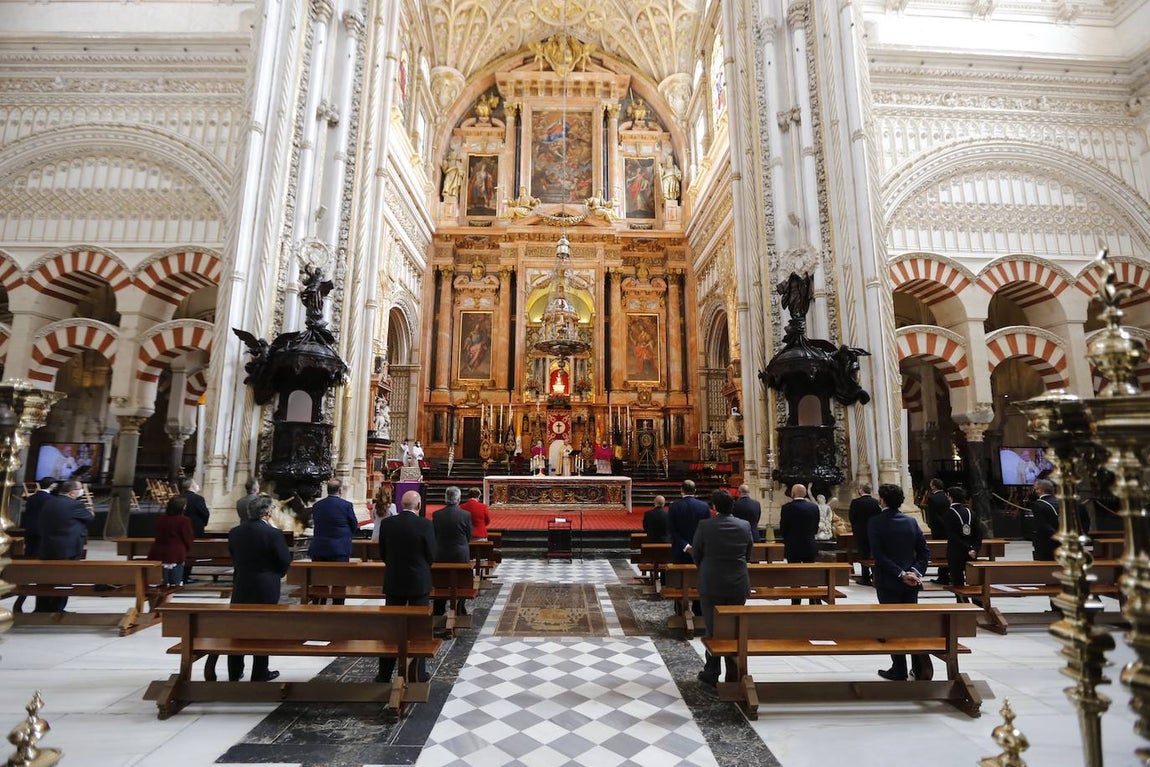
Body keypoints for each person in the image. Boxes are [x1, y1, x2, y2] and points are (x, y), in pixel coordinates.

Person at [869, 483, 931, 682]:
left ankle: (899, 668)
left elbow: (879, 555)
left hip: (889, 581)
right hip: (911, 583)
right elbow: (924, 552)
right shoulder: (911, 522)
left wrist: (901, 573)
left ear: (883, 500)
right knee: (910, 623)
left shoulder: (875, 522)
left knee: (892, 623)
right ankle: (917, 667)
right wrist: (914, 572)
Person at [226, 496, 292, 682]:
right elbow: (284, 560)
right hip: (266, 585)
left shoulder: (235, 532)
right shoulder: (274, 534)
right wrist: (277, 573)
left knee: (238, 627)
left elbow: (233, 555)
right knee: (263, 627)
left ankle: (235, 670)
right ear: (268, 512)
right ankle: (260, 671)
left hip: (242, 582)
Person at [692, 489, 753, 688]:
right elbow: (748, 552)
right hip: (737, 581)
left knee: (713, 626)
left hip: (711, 581)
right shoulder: (744, 525)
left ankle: (712, 671)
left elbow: (697, 552)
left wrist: (706, 567)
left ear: (714, 507)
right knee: (735, 627)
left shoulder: (705, 525)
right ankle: (733, 671)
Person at [376, 490, 435, 683]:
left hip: (394, 580)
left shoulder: (387, 524)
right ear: (418, 506)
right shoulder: (425, 524)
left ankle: (384, 674)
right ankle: (419, 673)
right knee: (419, 628)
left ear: (401, 505)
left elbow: (383, 552)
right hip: (419, 581)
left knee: (391, 628)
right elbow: (431, 554)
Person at [34, 480, 92, 612]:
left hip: (47, 547)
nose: (81, 491)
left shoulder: (49, 502)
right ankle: (57, 608)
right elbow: (89, 517)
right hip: (68, 549)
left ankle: (41, 607)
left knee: (45, 579)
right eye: (80, 489)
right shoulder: (75, 505)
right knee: (64, 580)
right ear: (72, 492)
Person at [308, 479, 360, 604]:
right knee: (339, 581)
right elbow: (354, 525)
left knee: (319, 580)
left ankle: (318, 605)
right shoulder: (346, 505)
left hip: (319, 547)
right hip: (339, 549)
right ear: (340, 490)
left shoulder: (317, 505)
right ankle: (337, 606)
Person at [13, 477, 54, 612]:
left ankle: (20, 598)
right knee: (40, 564)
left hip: (30, 532)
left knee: (29, 560)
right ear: (52, 485)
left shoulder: (32, 497)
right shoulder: (50, 500)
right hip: (42, 533)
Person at [432, 486, 473, 621]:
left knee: (440, 582)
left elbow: (435, 534)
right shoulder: (465, 515)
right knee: (461, 582)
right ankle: (460, 606)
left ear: (445, 499)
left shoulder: (437, 515)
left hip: (441, 553)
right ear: (458, 499)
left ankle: (439, 608)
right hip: (460, 554)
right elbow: (469, 535)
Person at [148, 496, 194, 587]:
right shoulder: (184, 520)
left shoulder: (161, 519)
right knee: (173, 585)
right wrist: (186, 549)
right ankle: (166, 600)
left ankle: (158, 601)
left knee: (159, 583)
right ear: (182, 507)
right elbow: (188, 537)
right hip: (175, 554)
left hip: (158, 552)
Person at [943, 486, 981, 592]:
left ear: (951, 498)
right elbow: (978, 533)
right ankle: (977, 605)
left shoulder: (949, 513)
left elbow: (952, 536)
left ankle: (962, 604)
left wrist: (967, 548)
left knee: (958, 583)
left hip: (956, 552)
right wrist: (974, 549)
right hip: (971, 553)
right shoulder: (970, 512)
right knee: (973, 583)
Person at [667, 480, 710, 565]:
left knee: (680, 576)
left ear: (681, 490)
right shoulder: (704, 506)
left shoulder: (674, 506)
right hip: (699, 550)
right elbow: (707, 529)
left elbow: (671, 530)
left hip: (680, 549)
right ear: (695, 490)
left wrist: (686, 546)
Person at [848, 482, 882, 586]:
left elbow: (851, 517)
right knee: (874, 553)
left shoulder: (856, 502)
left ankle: (865, 576)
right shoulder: (876, 502)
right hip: (874, 532)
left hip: (860, 532)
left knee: (863, 554)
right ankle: (876, 575)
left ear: (861, 490)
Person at [779, 484, 819, 564]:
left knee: (794, 573)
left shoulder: (787, 507)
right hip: (809, 544)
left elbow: (783, 527)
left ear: (792, 493)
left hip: (793, 546)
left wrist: (785, 537)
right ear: (805, 494)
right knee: (809, 572)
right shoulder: (814, 507)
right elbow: (816, 526)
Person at [181, 477, 210, 582]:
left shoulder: (179, 497)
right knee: (192, 552)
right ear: (192, 486)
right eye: (195, 484)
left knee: (183, 552)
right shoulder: (198, 499)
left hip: (181, 530)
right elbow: (205, 513)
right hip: (195, 529)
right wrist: (203, 523)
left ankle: (183, 575)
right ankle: (186, 575)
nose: (197, 485)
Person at [925, 478, 951, 584]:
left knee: (940, 553)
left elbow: (932, 515)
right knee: (947, 551)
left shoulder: (932, 498)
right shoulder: (946, 497)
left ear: (933, 486)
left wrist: (930, 525)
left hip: (938, 529)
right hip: (947, 527)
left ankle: (943, 576)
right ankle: (948, 574)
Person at [1029, 478, 1060, 561]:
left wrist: (1055, 535)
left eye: (1035, 489)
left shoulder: (1038, 504)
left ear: (1040, 490)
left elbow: (1042, 524)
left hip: (1046, 542)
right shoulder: (1060, 502)